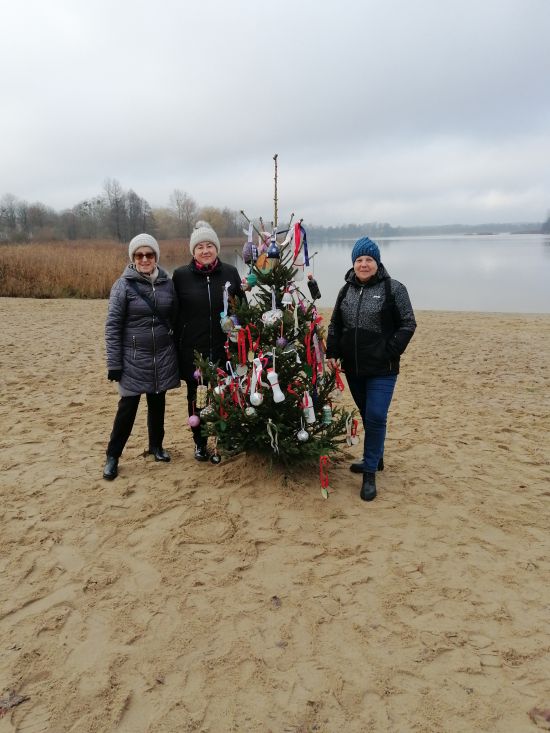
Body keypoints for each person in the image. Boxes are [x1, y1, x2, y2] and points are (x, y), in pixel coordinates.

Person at [326, 237, 416, 502]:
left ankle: (369, 474)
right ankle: (376, 458)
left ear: (377, 262)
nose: (363, 265)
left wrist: (389, 351)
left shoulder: (394, 289)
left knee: (376, 415)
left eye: (369, 260)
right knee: (367, 414)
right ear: (353, 263)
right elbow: (335, 324)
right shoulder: (346, 291)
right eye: (359, 260)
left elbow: (408, 324)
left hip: (383, 369)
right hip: (354, 369)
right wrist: (332, 352)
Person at [103, 233, 180, 480]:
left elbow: (175, 319)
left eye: (149, 254)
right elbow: (113, 327)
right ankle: (113, 456)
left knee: (158, 404)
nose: (145, 259)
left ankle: (156, 446)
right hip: (133, 358)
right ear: (133, 258)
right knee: (127, 408)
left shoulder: (168, 283)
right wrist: (114, 364)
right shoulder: (122, 286)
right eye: (139, 255)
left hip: (163, 355)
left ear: (156, 257)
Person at [172, 221, 244, 461]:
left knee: (226, 394)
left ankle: (225, 438)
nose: (205, 250)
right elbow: (174, 314)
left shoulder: (230, 273)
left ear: (216, 248)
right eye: (200, 246)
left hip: (225, 350)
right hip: (194, 352)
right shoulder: (181, 276)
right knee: (197, 399)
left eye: (210, 245)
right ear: (193, 251)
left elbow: (241, 310)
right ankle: (200, 442)